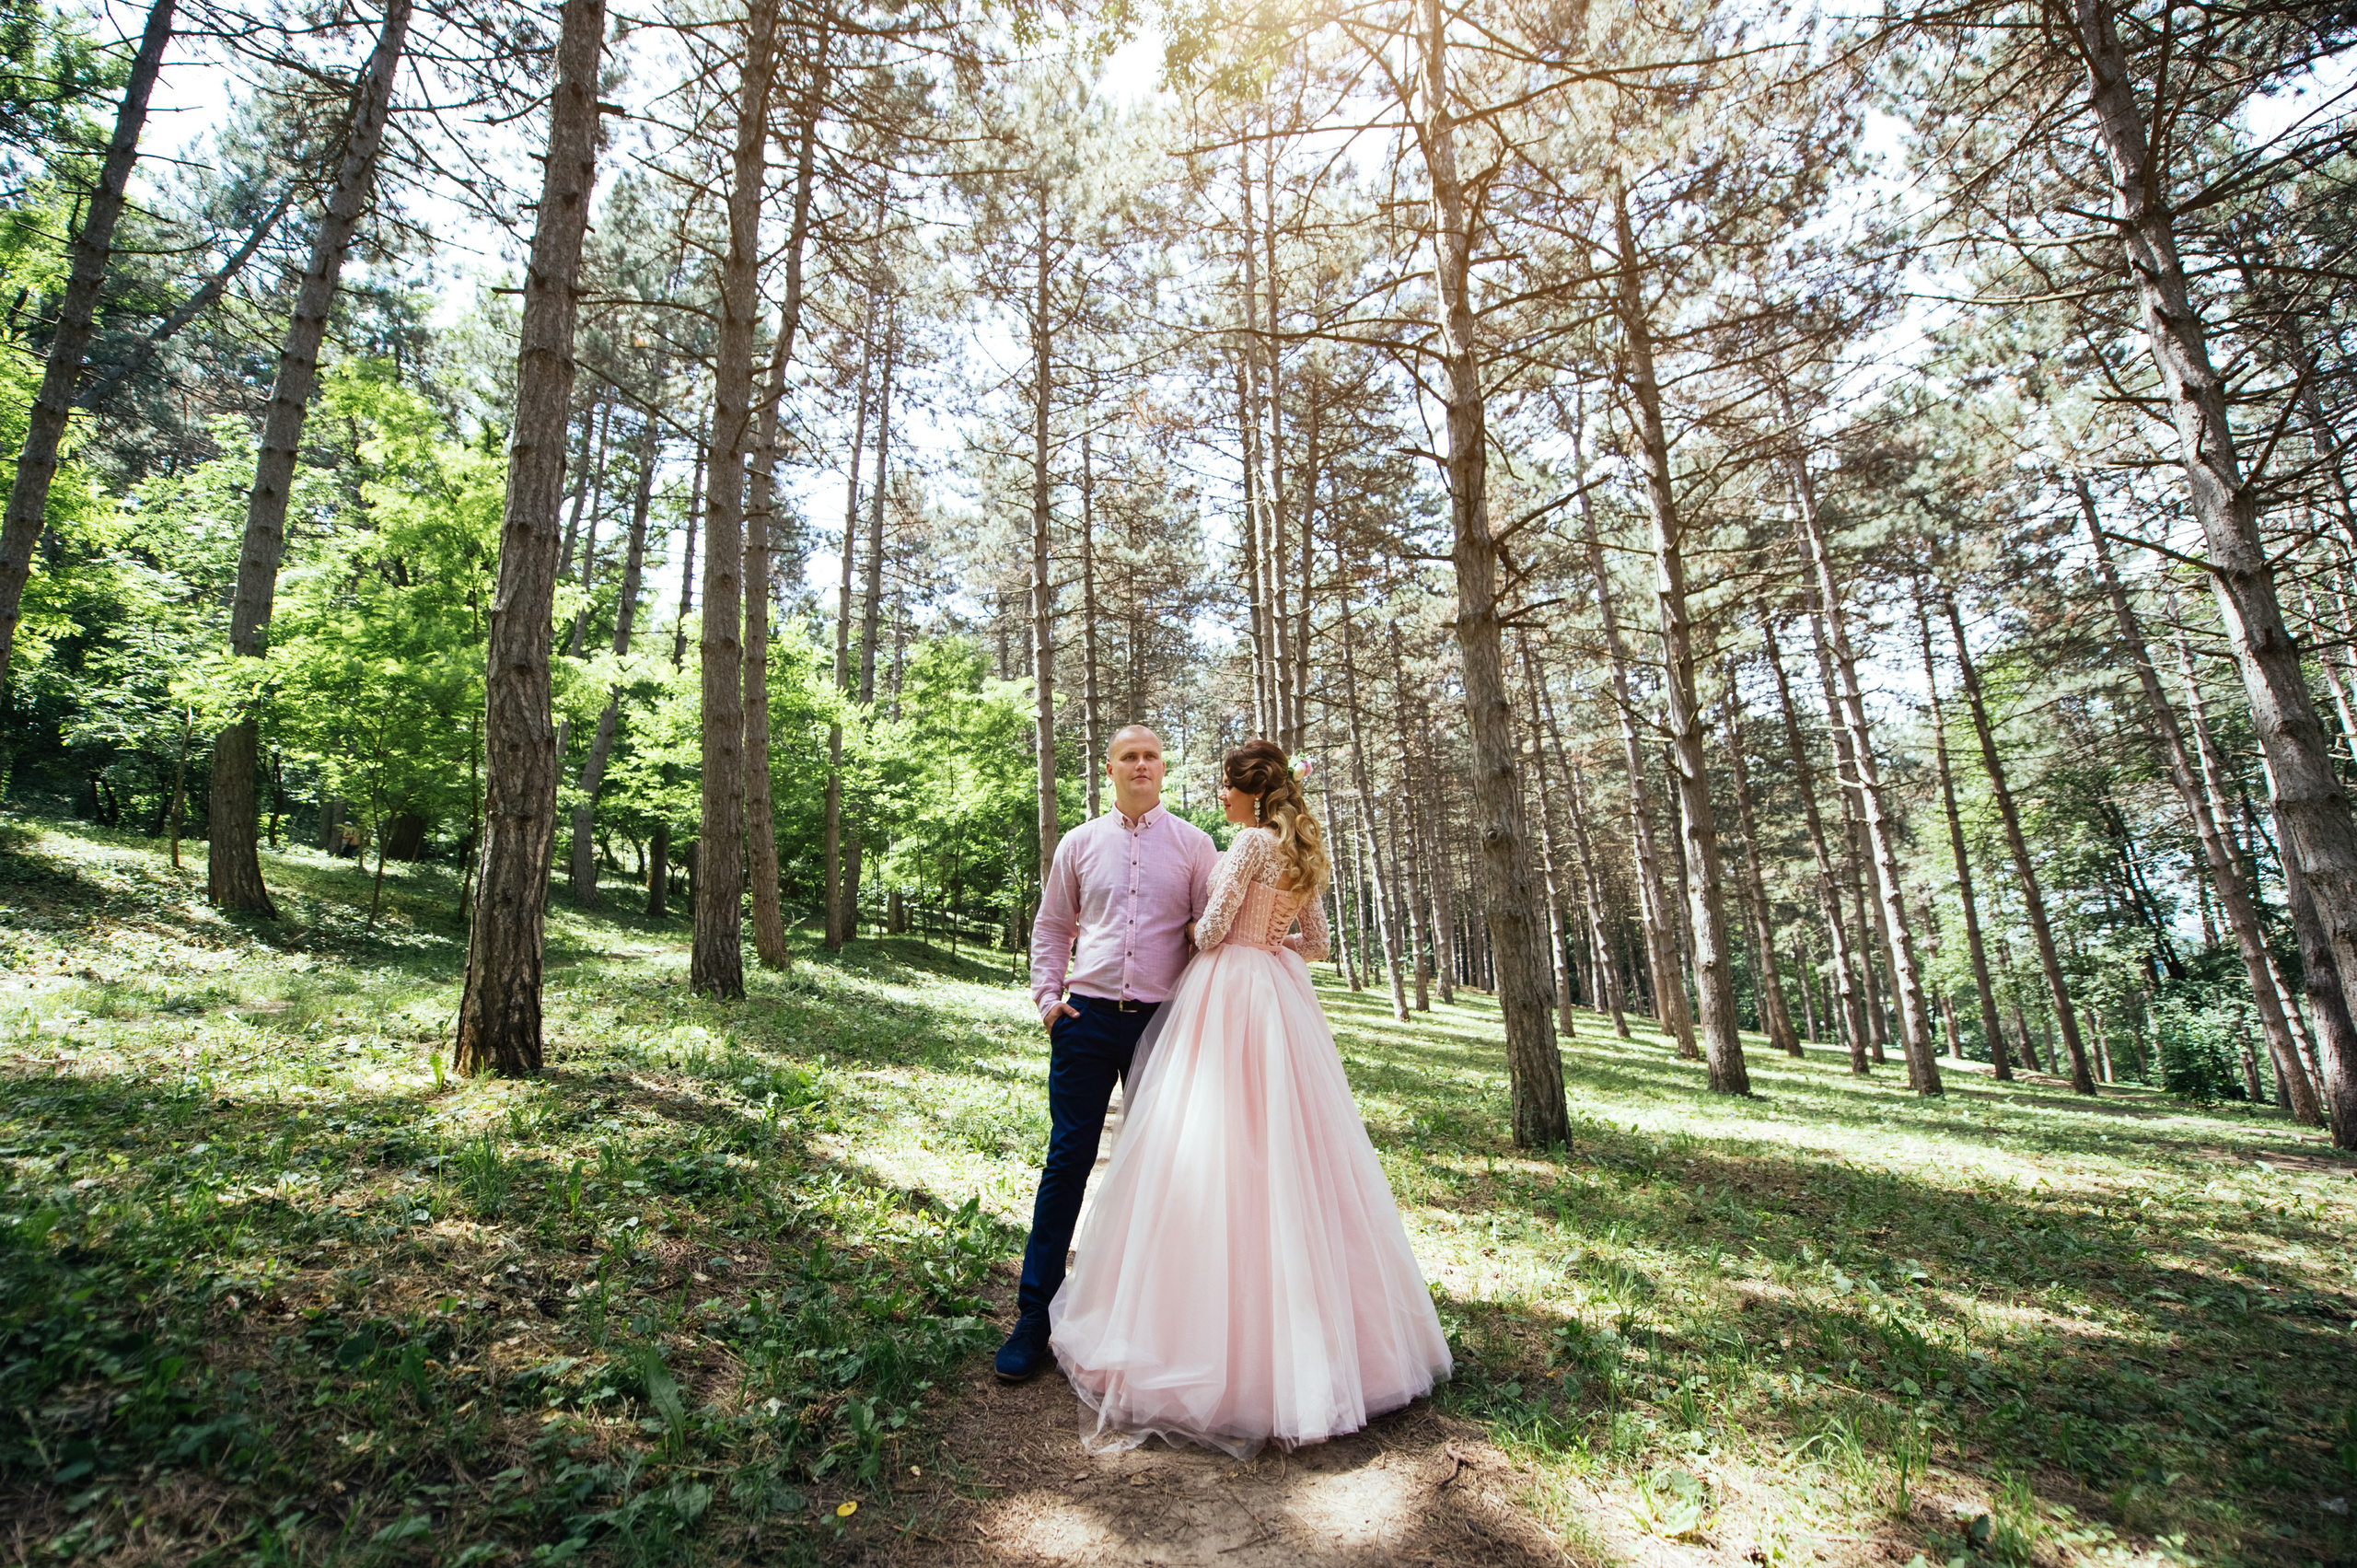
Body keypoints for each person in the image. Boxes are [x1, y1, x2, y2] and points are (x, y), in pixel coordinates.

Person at [1048, 738, 1452, 1458]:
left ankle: (1198, 1333)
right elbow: (1317, 943)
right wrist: (1272, 949)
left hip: (1228, 992)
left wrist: (1221, 941)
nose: (1222, 798)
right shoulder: (1299, 852)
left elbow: (1205, 929)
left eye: (1228, 787)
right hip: (1279, 997)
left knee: (1209, 1143)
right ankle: (1322, 1344)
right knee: (1290, 1151)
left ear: (1250, 793)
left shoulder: (1242, 846)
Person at [998, 724, 1220, 1383]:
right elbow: (1052, 925)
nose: (1143, 763)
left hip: (1162, 1023)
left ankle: (1151, 1320)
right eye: (1131, 755)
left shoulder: (1194, 846)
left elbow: (1213, 934)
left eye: (1152, 754)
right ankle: (1033, 1315)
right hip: (1086, 1019)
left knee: (1161, 1173)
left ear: (1162, 766)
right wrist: (1047, 1000)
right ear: (1110, 767)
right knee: (1067, 1161)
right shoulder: (1079, 843)